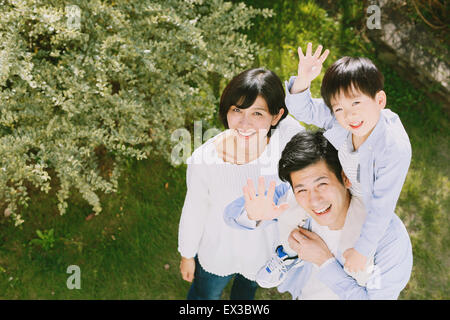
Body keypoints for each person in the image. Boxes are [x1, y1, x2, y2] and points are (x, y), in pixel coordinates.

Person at [225, 130, 413, 299]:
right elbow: (231, 215)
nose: (314, 201)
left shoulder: (389, 239)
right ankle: (287, 256)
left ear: (344, 177)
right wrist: (253, 215)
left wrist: (324, 262)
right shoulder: (291, 200)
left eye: (321, 184)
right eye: (302, 190)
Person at [178, 67, 303, 300]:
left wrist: (301, 83)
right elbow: (193, 212)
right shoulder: (203, 161)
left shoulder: (284, 144)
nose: (244, 124)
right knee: (205, 296)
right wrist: (187, 254)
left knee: (244, 297)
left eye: (257, 114)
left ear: (275, 117)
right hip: (217, 252)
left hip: (261, 254)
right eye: (237, 110)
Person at [285, 43, 412, 273]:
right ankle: (293, 259)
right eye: (339, 108)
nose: (350, 115)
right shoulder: (341, 118)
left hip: (366, 202)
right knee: (299, 207)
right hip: (343, 185)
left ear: (379, 101)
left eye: (356, 103)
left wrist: (362, 251)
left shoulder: (394, 149)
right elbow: (303, 110)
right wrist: (303, 78)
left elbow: (382, 207)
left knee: (353, 263)